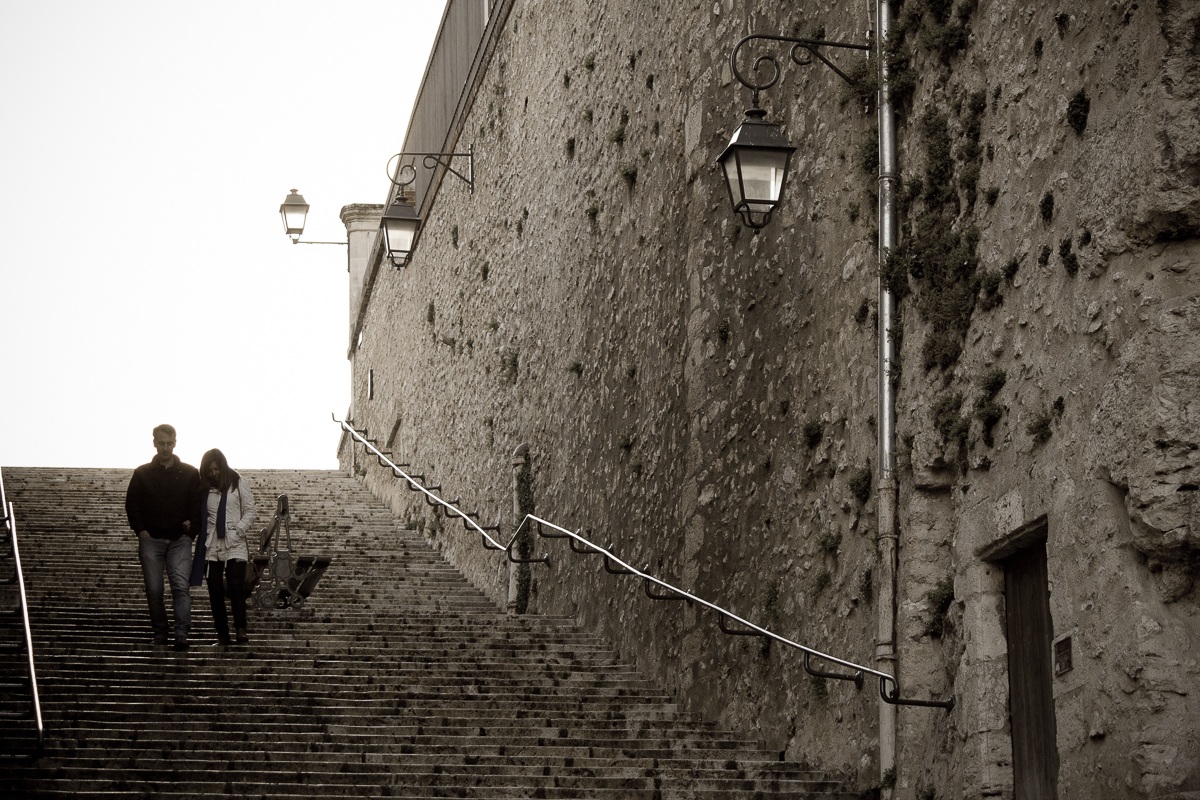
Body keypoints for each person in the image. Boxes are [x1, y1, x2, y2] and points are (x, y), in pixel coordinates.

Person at [125, 424, 202, 650]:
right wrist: (141, 531)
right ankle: (160, 632)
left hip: (180, 540)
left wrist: (191, 532)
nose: (165, 448)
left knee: (180, 586)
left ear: (175, 442)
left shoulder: (189, 473)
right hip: (151, 539)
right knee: (154, 589)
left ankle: (181, 634)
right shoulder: (142, 473)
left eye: (169, 443)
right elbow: (132, 504)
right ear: (154, 443)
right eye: (161, 443)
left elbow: (197, 505)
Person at [194, 448, 256, 646]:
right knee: (214, 589)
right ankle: (222, 635)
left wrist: (238, 530)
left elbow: (250, 510)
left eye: (216, 469)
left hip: (234, 542)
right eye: (209, 470)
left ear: (223, 466)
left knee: (236, 586)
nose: (214, 474)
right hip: (212, 544)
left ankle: (240, 631)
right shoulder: (203, 489)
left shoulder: (237, 482)